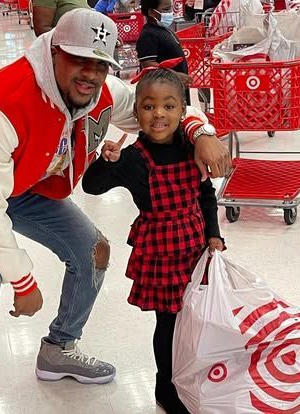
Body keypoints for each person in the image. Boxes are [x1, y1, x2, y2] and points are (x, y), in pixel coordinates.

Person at [0, 8, 229, 413]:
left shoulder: (104, 91)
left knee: (93, 250)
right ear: (54, 50)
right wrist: (24, 282)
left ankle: (59, 348)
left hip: (19, 180)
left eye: (100, 64)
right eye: (79, 58)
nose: (90, 73)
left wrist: (201, 133)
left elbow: (162, 104)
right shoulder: (1, 103)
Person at [82, 62, 225, 414]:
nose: (158, 114)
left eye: (168, 106)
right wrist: (105, 161)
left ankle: (192, 373)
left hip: (194, 247)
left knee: (196, 316)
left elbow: (205, 194)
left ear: (182, 110)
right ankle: (166, 386)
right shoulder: (133, 158)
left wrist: (214, 234)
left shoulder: (192, 148)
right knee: (168, 322)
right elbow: (92, 186)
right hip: (160, 251)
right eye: (148, 106)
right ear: (136, 112)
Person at [136, 0, 192, 104]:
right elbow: (148, 65)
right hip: (164, 93)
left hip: (176, 89)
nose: (170, 13)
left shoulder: (163, 30)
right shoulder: (148, 34)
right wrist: (175, 76)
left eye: (170, 8)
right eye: (166, 9)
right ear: (151, 12)